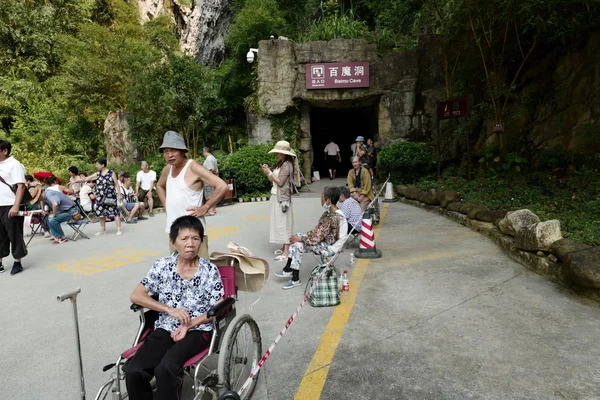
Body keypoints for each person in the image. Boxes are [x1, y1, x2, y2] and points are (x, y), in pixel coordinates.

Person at [125, 215, 224, 400]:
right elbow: (136, 295)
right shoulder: (162, 266)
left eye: (195, 238)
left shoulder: (209, 270)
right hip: (166, 325)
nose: (190, 244)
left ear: (201, 242)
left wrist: (190, 324)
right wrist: (169, 309)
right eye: (184, 239)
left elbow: (217, 306)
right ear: (173, 242)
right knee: (134, 370)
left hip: (198, 329)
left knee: (166, 368)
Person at [156, 131, 228, 258]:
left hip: (193, 234)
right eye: (166, 151)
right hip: (174, 233)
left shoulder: (193, 167)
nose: (169, 155)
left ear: (183, 151)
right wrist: (167, 205)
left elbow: (222, 186)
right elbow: (160, 186)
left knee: (199, 272)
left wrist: (205, 207)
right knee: (177, 272)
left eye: (173, 150)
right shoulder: (168, 169)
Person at [274, 187, 348, 290]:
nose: (320, 199)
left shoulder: (335, 217)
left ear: (328, 200)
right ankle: (289, 270)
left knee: (298, 244)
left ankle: (294, 277)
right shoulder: (331, 213)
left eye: (322, 197)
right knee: (297, 237)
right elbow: (317, 232)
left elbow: (317, 236)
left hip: (330, 248)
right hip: (325, 242)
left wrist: (300, 239)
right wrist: (300, 237)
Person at [261, 140, 296, 262]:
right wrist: (268, 172)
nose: (277, 155)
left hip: (282, 198)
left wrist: (269, 172)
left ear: (285, 153)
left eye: (279, 153)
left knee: (284, 223)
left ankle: (286, 251)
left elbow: (280, 183)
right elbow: (274, 180)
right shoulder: (281, 163)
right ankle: (284, 247)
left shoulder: (287, 165)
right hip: (276, 195)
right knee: (280, 222)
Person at [0, 139, 27, 275]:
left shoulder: (14, 164)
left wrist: (16, 206)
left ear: (4, 151)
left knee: (14, 234)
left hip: (10, 205)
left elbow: (21, 186)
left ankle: (17, 262)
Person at [77, 157, 123, 236]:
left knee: (114, 212)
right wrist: (76, 181)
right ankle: (102, 230)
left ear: (102, 165)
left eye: (97, 164)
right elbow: (87, 178)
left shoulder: (111, 173)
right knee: (101, 213)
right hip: (100, 197)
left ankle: (119, 229)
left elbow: (116, 184)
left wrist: (119, 194)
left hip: (110, 196)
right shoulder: (97, 174)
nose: (96, 166)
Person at [202, 147, 219, 216]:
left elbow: (210, 169)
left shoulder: (209, 159)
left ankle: (210, 210)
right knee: (212, 194)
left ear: (205, 152)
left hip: (209, 179)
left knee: (209, 195)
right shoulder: (213, 158)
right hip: (213, 178)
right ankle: (213, 209)